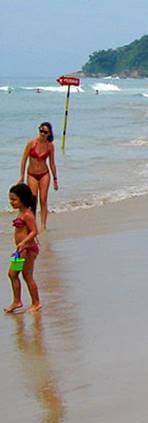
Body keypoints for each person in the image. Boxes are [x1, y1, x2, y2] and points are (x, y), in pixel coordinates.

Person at [6, 183, 41, 313]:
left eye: (14, 199)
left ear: (23, 199)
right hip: (20, 250)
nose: (11, 202)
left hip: (28, 249)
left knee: (27, 276)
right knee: (12, 274)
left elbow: (34, 231)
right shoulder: (21, 212)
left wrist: (24, 242)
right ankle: (17, 301)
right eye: (10, 199)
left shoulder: (27, 214)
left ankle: (36, 303)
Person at [20, 123, 57, 231]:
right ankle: (32, 224)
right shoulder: (31, 143)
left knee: (43, 199)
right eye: (41, 131)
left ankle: (43, 225)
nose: (42, 134)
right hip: (32, 174)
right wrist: (22, 176)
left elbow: (52, 163)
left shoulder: (50, 146)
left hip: (44, 174)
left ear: (49, 134)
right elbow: (24, 160)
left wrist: (55, 179)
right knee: (33, 199)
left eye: (45, 132)